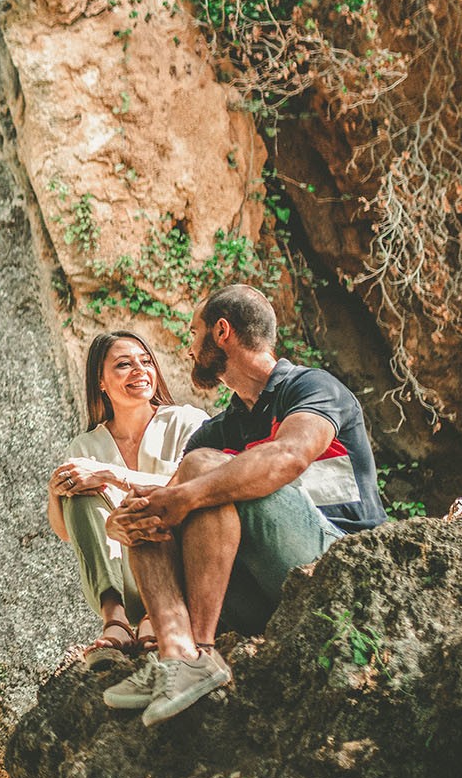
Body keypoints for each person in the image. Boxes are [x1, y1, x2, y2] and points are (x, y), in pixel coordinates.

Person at [101, 284, 386, 725]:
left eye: (194, 334)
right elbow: (165, 507)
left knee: (198, 474)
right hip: (262, 595)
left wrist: (187, 494)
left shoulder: (310, 386)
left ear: (221, 332)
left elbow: (287, 457)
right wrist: (123, 523)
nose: (189, 348)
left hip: (338, 564)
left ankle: (201, 651)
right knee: (150, 509)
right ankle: (177, 656)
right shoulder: (220, 429)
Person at [48, 331, 207, 665]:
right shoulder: (85, 446)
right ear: (101, 382)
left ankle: (157, 616)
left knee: (149, 500)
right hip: (124, 579)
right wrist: (56, 493)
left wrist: (111, 476)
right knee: (79, 493)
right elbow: (67, 532)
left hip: (182, 571)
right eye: (124, 364)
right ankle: (116, 620)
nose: (140, 370)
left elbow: (201, 488)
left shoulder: (187, 422)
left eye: (145, 361)